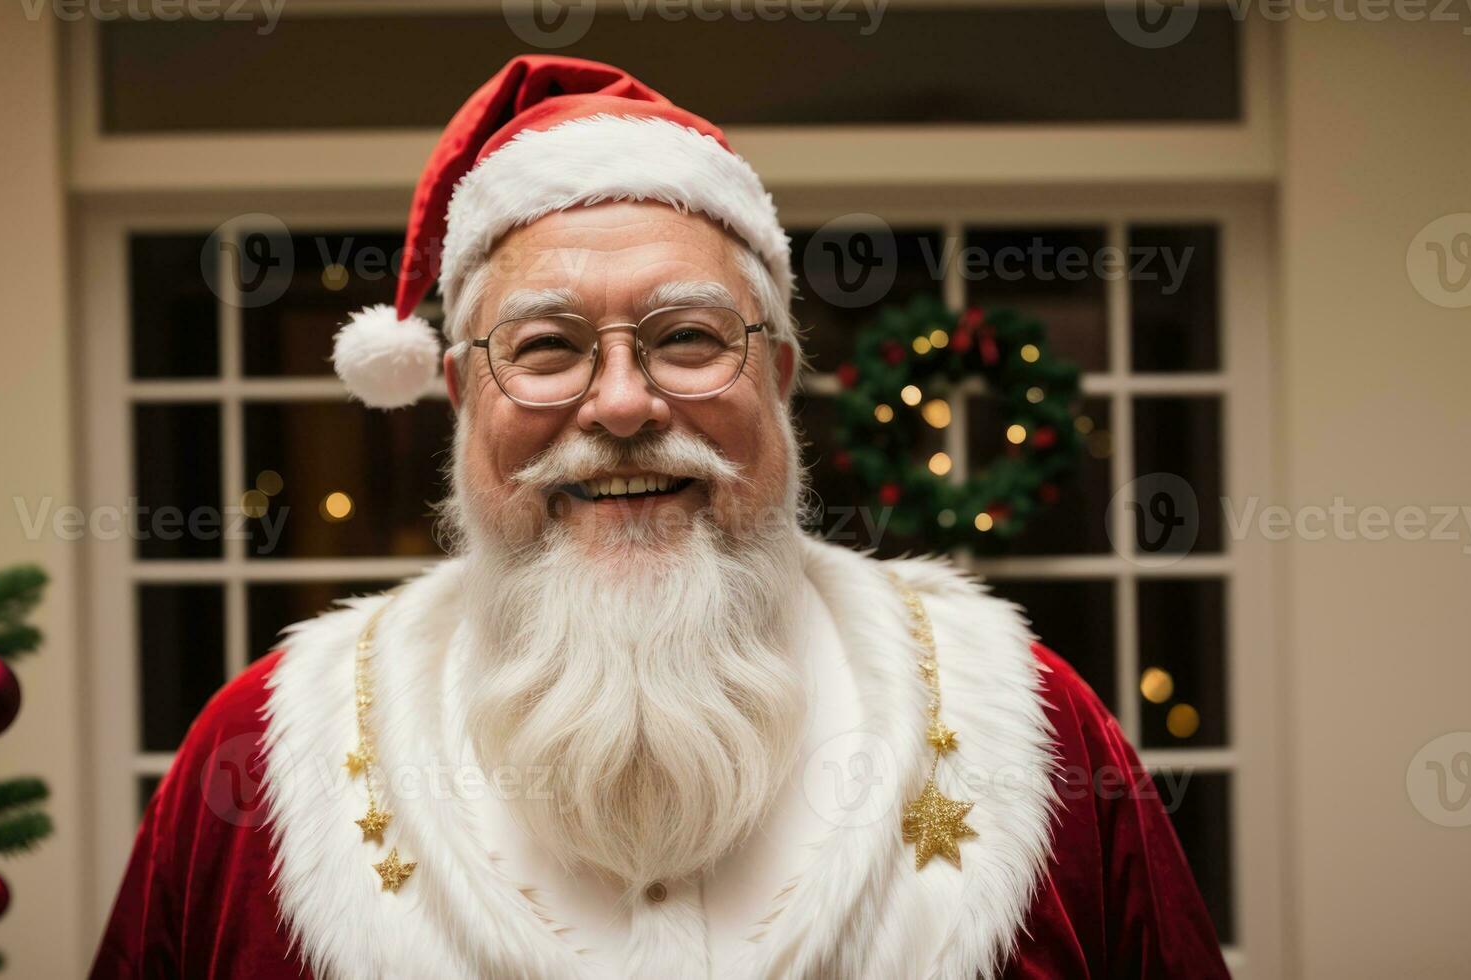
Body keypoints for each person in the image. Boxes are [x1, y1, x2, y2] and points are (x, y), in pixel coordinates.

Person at [91, 54, 1226, 979]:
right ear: (458, 395)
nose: (623, 403)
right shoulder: (259, 755)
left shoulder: (1025, 729)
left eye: (687, 337)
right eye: (545, 348)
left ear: (777, 376)